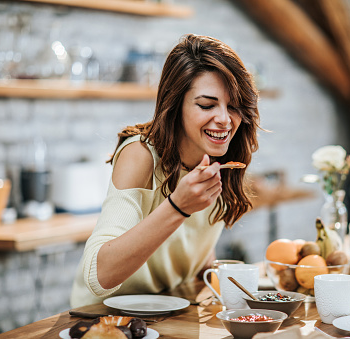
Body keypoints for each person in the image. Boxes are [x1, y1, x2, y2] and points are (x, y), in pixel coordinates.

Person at [70, 34, 261, 307]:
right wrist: (177, 207)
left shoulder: (220, 156)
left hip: (169, 309)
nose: (224, 119)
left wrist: (214, 273)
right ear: (176, 104)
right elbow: (98, 275)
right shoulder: (140, 154)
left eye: (233, 106)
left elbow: (190, 243)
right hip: (106, 317)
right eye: (206, 105)